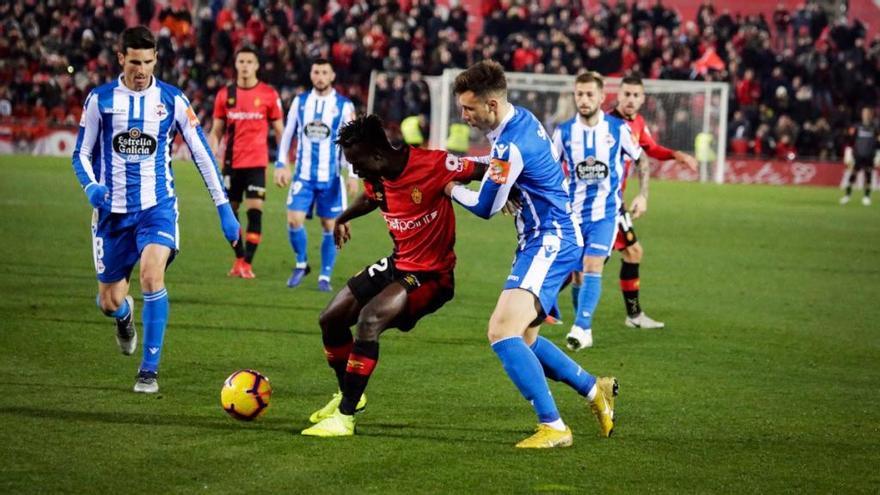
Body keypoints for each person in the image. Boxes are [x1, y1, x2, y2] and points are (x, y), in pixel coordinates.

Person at [446, 60, 618, 448]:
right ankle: (595, 390)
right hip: (544, 237)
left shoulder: (510, 143)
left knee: (501, 331)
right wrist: (514, 190)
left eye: (468, 108)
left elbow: (486, 207)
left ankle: (554, 426)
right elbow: (515, 176)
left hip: (550, 240)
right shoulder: (519, 119)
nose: (464, 115)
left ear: (491, 106)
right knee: (524, 337)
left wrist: (450, 189)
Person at [71, 26, 239, 393]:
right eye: (134, 61)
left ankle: (149, 370)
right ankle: (124, 315)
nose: (141, 69)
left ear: (156, 59)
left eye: (148, 61)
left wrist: (223, 206)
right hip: (112, 215)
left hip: (156, 208)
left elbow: (202, 153)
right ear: (120, 59)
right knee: (108, 300)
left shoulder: (173, 100)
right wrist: (91, 186)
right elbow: (80, 153)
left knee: (150, 276)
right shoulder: (100, 101)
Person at [301, 114, 486, 437]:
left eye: (357, 165)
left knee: (369, 321)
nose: (356, 172)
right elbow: (372, 197)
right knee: (330, 318)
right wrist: (344, 217)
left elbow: (486, 169)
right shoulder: (377, 175)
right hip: (399, 263)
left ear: (376, 155)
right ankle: (350, 397)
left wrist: (511, 193)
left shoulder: (434, 164)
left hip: (432, 275)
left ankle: (345, 418)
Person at [552, 72, 649, 350]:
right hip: (573, 215)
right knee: (578, 274)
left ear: (601, 97)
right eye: (579, 94)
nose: (584, 99)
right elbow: (546, 168)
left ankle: (581, 328)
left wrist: (642, 195)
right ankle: (582, 324)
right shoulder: (564, 132)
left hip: (605, 214)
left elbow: (641, 159)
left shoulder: (617, 130)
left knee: (593, 265)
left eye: (589, 94)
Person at [605, 75, 698, 329]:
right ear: (618, 95)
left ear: (643, 98)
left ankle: (633, 316)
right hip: (602, 203)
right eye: (627, 94)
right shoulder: (607, 124)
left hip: (615, 202)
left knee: (625, 253)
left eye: (636, 95)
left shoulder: (637, 123)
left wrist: (676, 155)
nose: (631, 100)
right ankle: (539, 305)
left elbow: (650, 148)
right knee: (586, 262)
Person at [275, 58, 359, 291]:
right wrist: (282, 164)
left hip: (331, 178)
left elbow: (351, 142)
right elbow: (288, 133)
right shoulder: (300, 102)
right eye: (316, 72)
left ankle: (325, 277)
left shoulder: (343, 105)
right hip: (303, 176)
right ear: (311, 75)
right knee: (293, 219)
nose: (320, 76)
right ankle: (301, 263)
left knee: (331, 227)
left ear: (332, 76)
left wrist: (352, 174)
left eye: (324, 72)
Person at [208, 45, 285, 278]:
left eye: (249, 62)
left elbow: (281, 131)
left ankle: (247, 263)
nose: (245, 66)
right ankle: (239, 258)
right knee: (231, 213)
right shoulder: (225, 94)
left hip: (256, 163)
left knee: (255, 212)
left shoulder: (269, 95)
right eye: (241, 61)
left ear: (257, 65)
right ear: (235, 64)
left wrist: (282, 163)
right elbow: (216, 131)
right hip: (231, 163)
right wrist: (210, 153)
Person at [840, 106, 879, 206]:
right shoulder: (856, 126)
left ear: (871, 115)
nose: (865, 115)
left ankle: (866, 197)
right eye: (864, 113)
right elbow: (850, 140)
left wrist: (878, 153)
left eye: (867, 113)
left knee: (868, 176)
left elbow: (879, 141)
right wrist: (848, 152)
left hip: (870, 155)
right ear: (862, 114)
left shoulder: (875, 127)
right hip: (858, 155)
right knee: (852, 175)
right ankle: (847, 196)